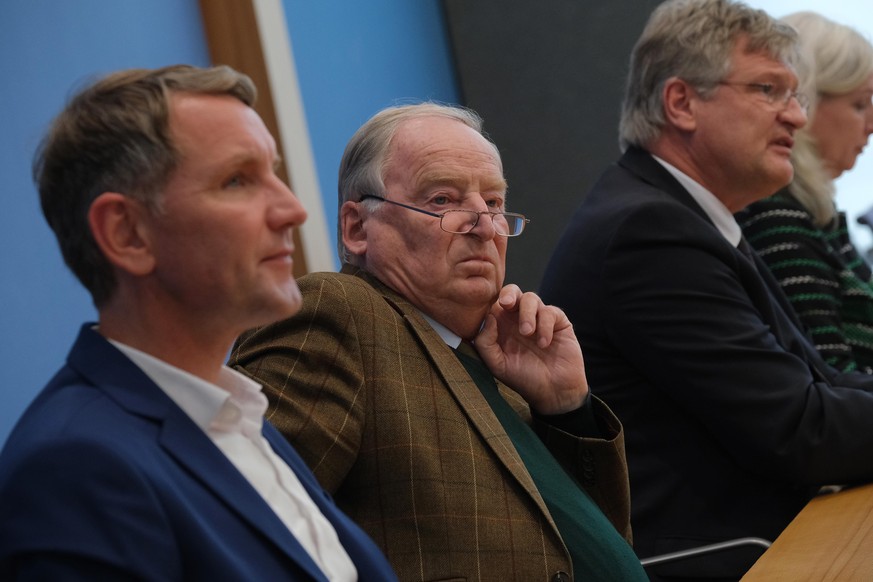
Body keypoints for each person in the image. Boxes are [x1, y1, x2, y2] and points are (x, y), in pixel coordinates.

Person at [0, 65, 397, 581]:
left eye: (274, 172)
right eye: (237, 180)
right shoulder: (73, 469)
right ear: (127, 234)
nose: (293, 209)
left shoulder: (240, 416)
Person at [230, 103, 649, 581]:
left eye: (493, 203)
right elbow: (245, 527)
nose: (484, 224)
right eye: (442, 200)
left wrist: (567, 408)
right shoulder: (340, 312)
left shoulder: (502, 362)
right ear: (357, 227)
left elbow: (597, 545)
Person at [539, 0, 873, 579]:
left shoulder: (683, 214)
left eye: (795, 95)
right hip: (734, 555)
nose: (795, 116)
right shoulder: (648, 232)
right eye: (770, 90)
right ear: (681, 103)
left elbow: (821, 380)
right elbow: (801, 432)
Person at [738, 12, 873, 374]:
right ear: (809, 103)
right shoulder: (778, 216)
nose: (871, 125)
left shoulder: (817, 215)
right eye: (860, 104)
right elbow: (831, 375)